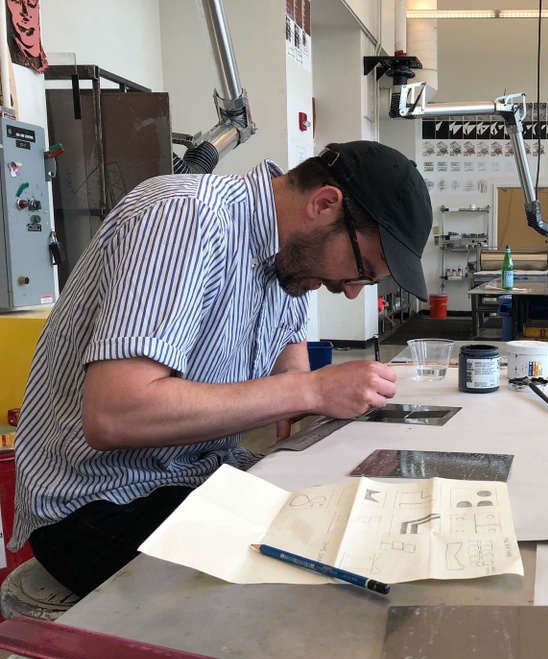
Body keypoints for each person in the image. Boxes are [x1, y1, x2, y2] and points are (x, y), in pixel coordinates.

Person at [8, 140, 433, 597]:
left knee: (366, 532)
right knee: (307, 595)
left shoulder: (288, 263)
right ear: (325, 204)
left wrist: (326, 409)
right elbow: (115, 413)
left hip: (202, 475)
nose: (350, 293)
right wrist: (309, 391)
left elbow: (288, 368)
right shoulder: (185, 219)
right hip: (101, 502)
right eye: (360, 271)